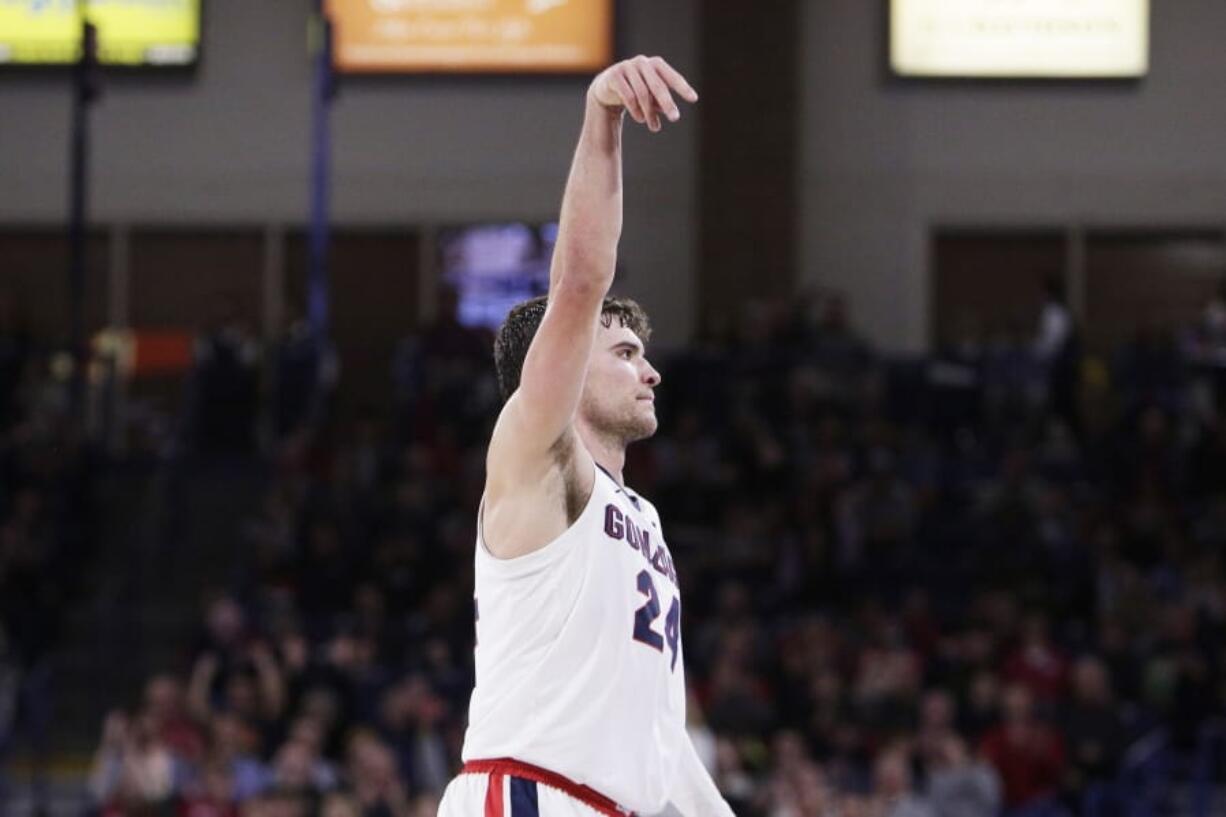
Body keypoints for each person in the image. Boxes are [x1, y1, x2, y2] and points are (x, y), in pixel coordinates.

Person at [436, 56, 734, 816]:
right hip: (529, 796)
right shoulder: (537, 458)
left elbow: (658, 737)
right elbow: (579, 281)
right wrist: (602, 117)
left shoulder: (642, 519)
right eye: (626, 352)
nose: (651, 372)